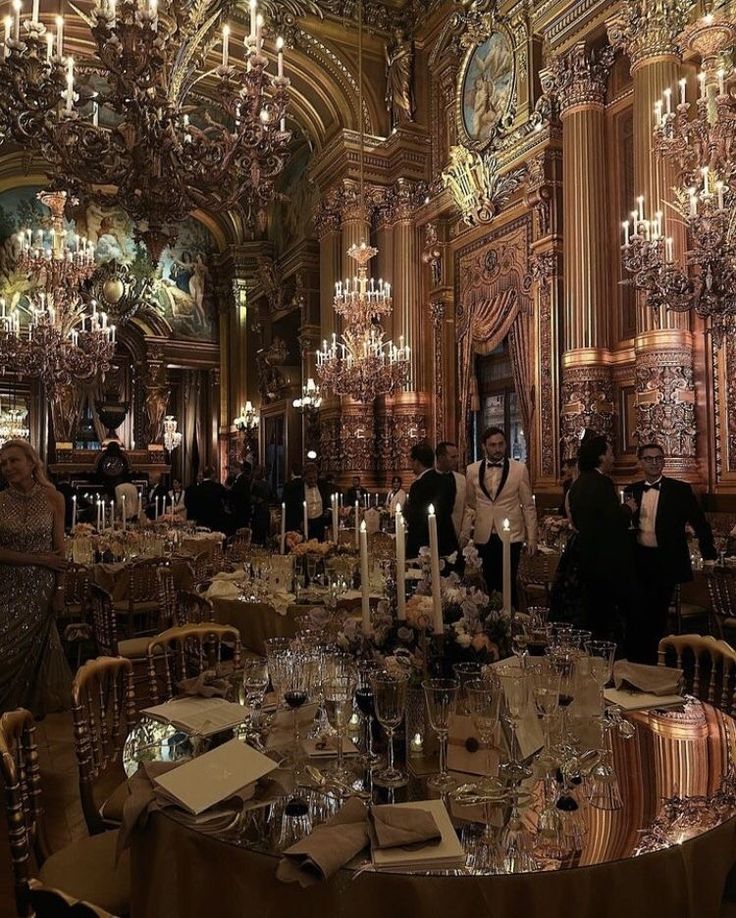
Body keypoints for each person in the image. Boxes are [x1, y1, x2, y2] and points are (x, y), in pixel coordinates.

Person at [0, 439, 72, 716]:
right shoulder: (1, 501)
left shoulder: (53, 497)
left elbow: (59, 550)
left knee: (36, 653)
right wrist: (38, 559)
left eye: (13, 461)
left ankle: (23, 715)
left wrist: (61, 589)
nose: (7, 468)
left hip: (42, 589)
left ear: (31, 463)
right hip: (7, 586)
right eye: (3, 464)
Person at [628, 442, 717, 663]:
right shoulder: (632, 491)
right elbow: (624, 527)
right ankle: (640, 660)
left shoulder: (680, 490)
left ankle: (657, 661)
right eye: (649, 458)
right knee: (638, 612)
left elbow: (700, 524)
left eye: (658, 458)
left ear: (663, 461)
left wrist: (709, 556)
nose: (654, 462)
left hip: (666, 561)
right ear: (641, 462)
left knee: (658, 613)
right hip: (639, 560)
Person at [567, 434, 638, 647]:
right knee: (605, 613)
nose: (613, 457)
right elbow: (611, 520)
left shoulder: (577, 484)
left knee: (590, 609)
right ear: (600, 456)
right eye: (610, 452)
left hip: (583, 556)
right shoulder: (603, 483)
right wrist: (628, 509)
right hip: (605, 559)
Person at [465, 427, 537, 606]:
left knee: (508, 583)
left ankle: (510, 621)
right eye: (492, 445)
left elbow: (528, 506)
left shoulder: (519, 469)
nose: (497, 449)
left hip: (511, 535)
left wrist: (532, 538)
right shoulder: (472, 470)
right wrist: (466, 534)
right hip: (484, 534)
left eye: (500, 444)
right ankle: (490, 624)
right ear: (484, 447)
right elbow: (470, 504)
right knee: (487, 584)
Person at [405, 443, 458, 559]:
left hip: (424, 542)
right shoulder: (446, 480)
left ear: (417, 462)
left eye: (411, 461)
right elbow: (449, 509)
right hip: (446, 539)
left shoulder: (418, 485)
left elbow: (416, 518)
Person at [436, 441, 466, 542]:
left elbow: (467, 508)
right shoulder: (428, 480)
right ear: (441, 458)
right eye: (453, 457)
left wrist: (464, 533)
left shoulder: (461, 480)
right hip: (433, 535)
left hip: (456, 535)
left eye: (457, 456)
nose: (457, 460)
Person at [191, 466, 228, 533]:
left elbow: (192, 505)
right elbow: (226, 499)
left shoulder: (196, 489)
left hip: (201, 521)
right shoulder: (218, 487)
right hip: (216, 521)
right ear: (212, 475)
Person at [250, 465, 273, 545]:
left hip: (258, 511)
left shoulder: (255, 483)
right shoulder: (268, 485)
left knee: (257, 534)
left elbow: (251, 497)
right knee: (264, 533)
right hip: (266, 510)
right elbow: (273, 497)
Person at [229, 462, 252, 530]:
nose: (231, 471)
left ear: (238, 469)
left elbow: (243, 495)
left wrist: (231, 491)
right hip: (239, 511)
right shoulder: (237, 479)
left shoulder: (242, 479)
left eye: (232, 469)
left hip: (242, 511)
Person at [282, 463, 304, 532]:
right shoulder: (304, 484)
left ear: (292, 472)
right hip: (303, 514)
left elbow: (284, 501)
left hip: (290, 515)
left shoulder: (288, 485)